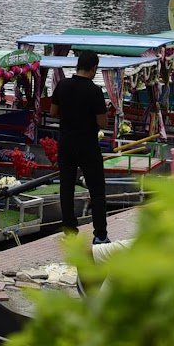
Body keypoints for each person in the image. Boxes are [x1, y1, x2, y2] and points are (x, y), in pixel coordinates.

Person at [48, 50, 111, 244]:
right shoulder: (94, 91)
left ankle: (69, 231)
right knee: (97, 190)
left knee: (66, 187)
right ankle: (100, 234)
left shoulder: (63, 85)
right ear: (94, 68)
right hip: (87, 146)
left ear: (78, 66)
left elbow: (53, 112)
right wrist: (104, 110)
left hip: (66, 143)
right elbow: (102, 123)